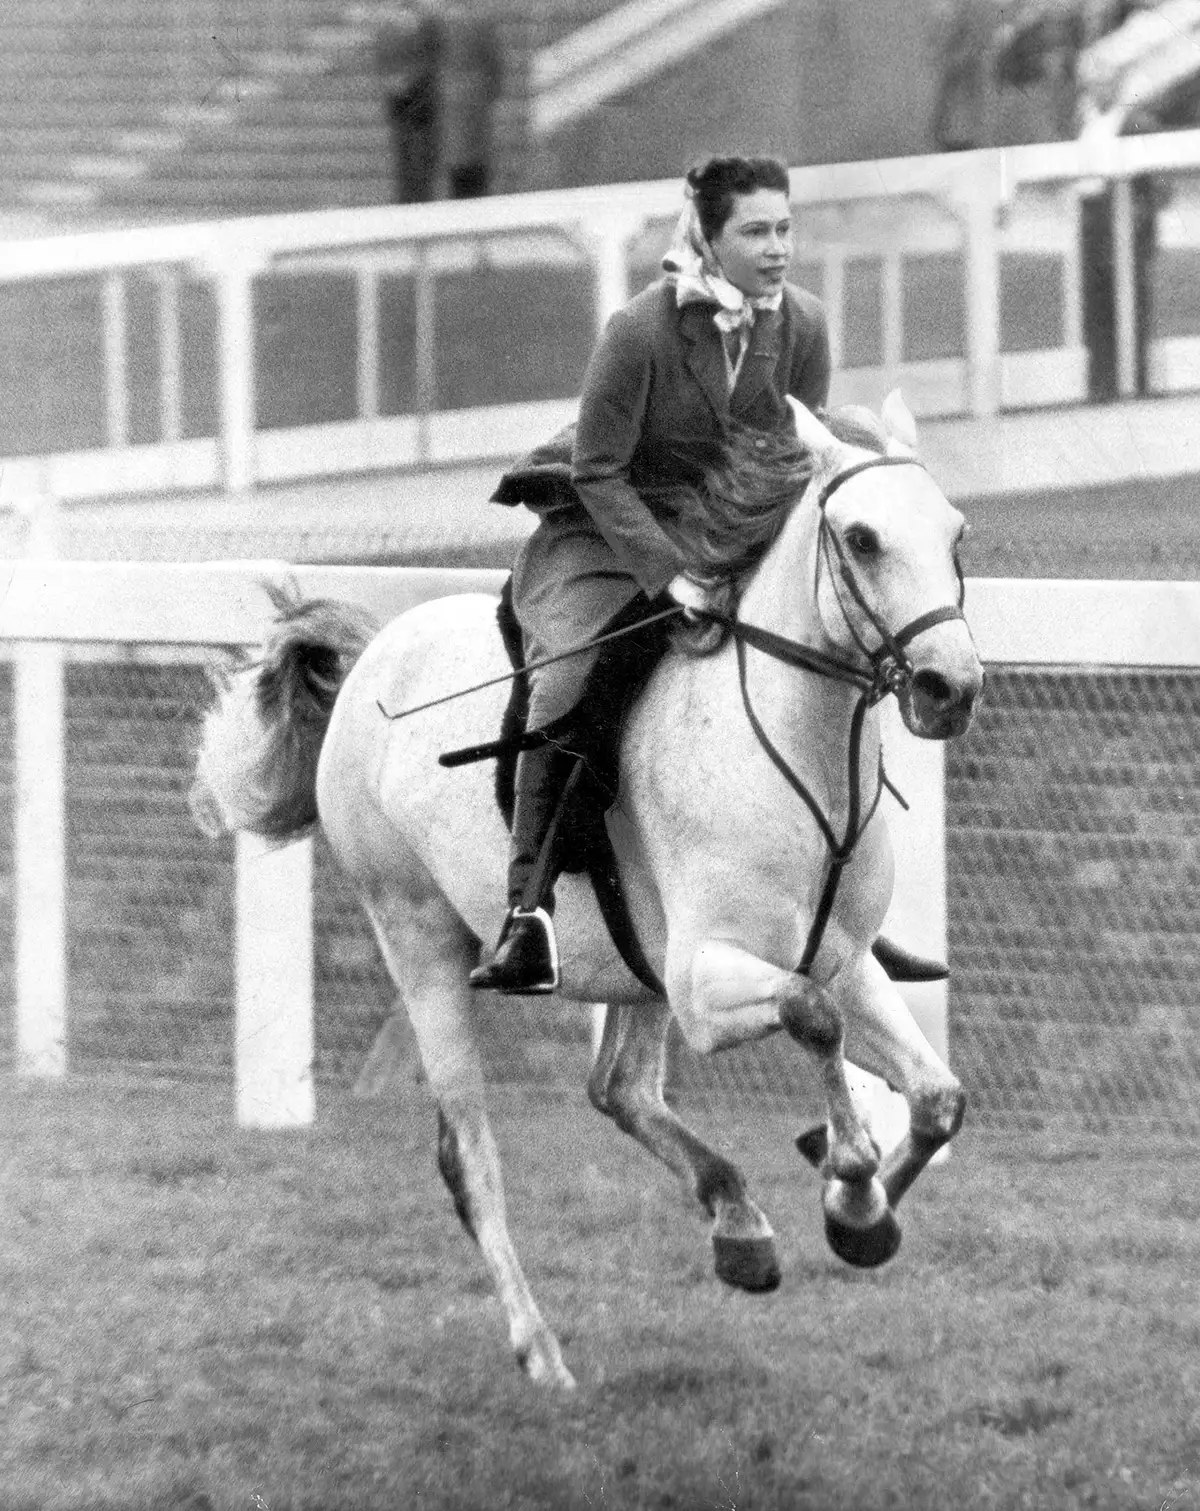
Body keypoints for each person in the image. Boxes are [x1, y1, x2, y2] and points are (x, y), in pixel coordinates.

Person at [469, 153, 832, 995]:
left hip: (726, 528)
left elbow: (790, 452)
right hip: (607, 528)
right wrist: (672, 577)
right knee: (565, 683)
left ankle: (838, 907)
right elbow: (598, 472)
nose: (778, 247)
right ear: (706, 235)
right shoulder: (639, 331)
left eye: (785, 228)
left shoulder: (804, 325)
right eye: (756, 231)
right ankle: (527, 916)